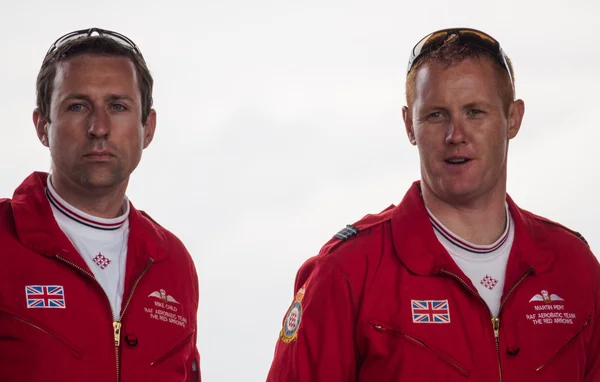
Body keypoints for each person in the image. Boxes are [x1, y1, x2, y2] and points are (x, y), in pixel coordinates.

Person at [266, 27, 600, 381]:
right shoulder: (349, 271)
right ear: (410, 125)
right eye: (436, 115)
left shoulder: (574, 268)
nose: (456, 135)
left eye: (475, 112)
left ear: (513, 119)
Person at [0, 28, 200, 382]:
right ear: (42, 126)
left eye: (118, 106)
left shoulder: (173, 263)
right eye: (77, 106)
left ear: (147, 128)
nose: (99, 127)